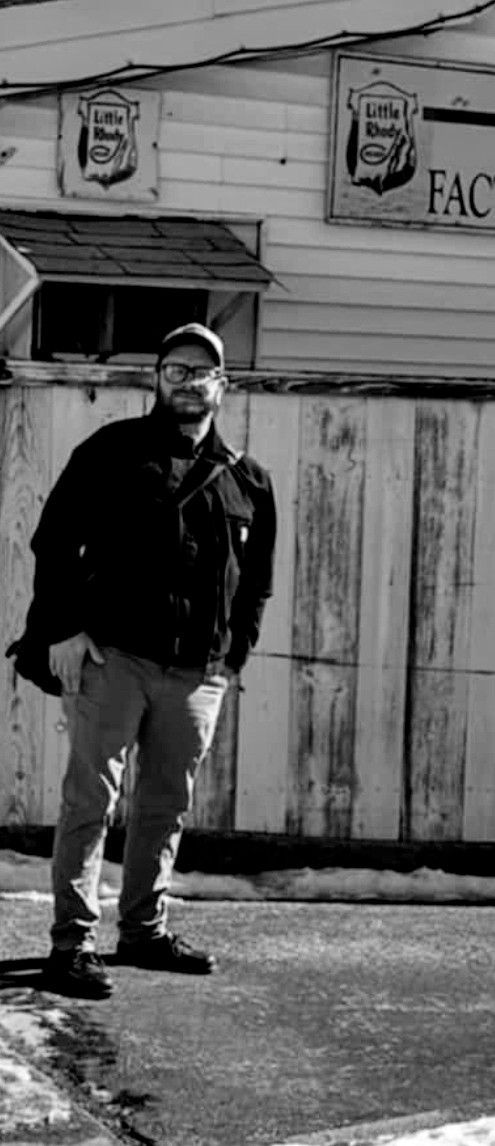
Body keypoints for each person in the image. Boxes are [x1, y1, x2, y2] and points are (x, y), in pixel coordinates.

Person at [9, 323, 276, 999]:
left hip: (197, 673)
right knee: (89, 800)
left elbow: (255, 583)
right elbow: (54, 544)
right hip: (114, 658)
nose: (188, 382)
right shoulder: (112, 452)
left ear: (223, 385)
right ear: (156, 378)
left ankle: (144, 931)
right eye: (175, 369)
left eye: (202, 372)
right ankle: (71, 945)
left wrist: (230, 657)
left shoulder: (248, 480)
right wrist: (63, 631)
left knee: (165, 805)